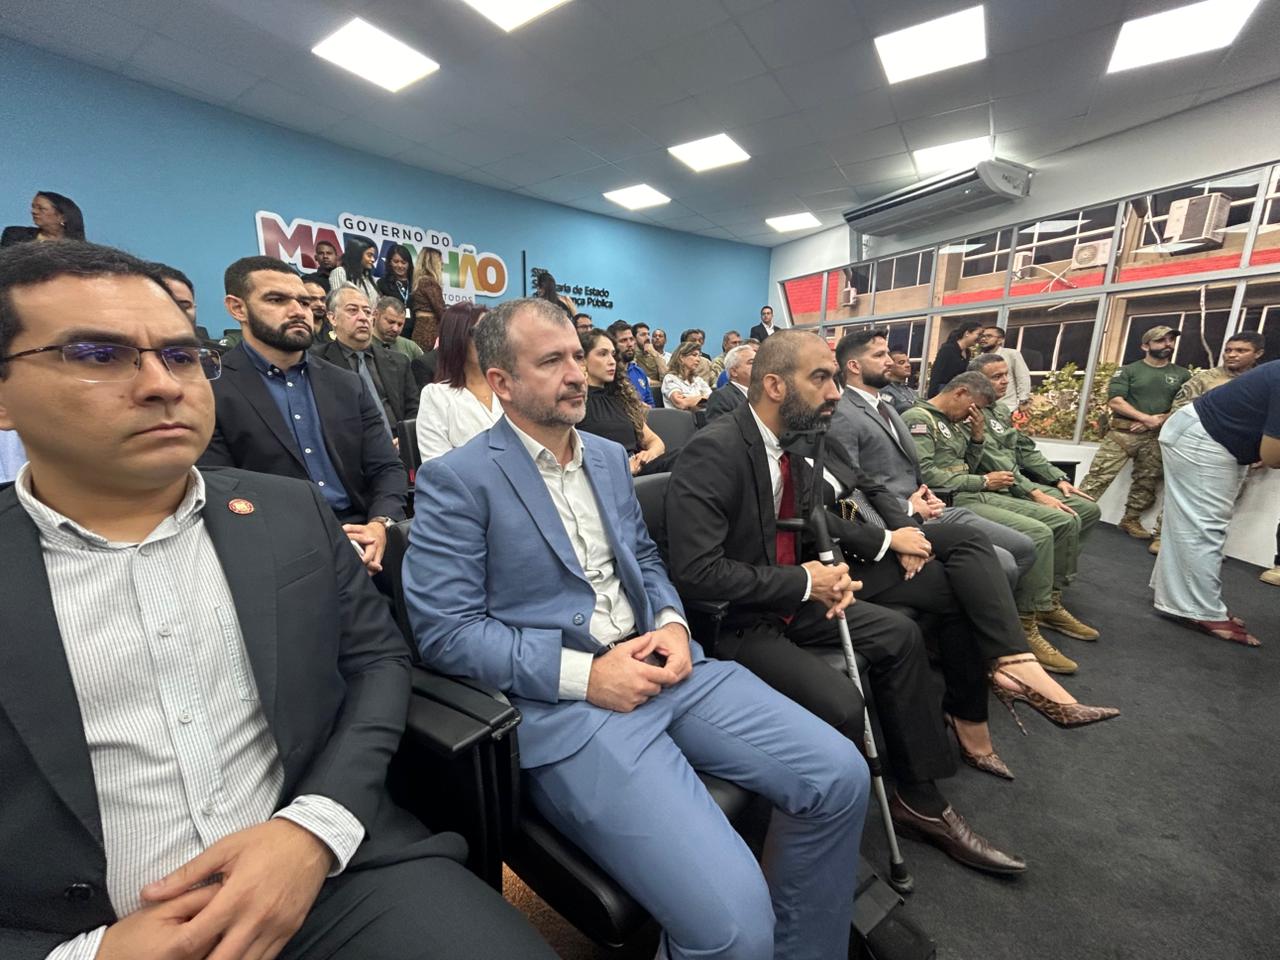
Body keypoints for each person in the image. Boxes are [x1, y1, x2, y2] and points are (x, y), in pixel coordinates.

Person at [0, 240, 556, 960]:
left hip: (333, 873)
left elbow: (377, 661)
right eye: (98, 355)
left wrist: (313, 828)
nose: (161, 384)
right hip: (86, 929)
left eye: (180, 355)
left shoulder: (289, 514)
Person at [405, 297, 870, 960]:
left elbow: (645, 560)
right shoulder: (458, 479)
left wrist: (674, 623)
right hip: (572, 706)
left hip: (667, 662)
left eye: (577, 356)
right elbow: (445, 632)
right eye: (551, 361)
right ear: (502, 382)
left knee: (841, 777)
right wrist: (587, 676)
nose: (576, 373)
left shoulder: (603, 455)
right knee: (734, 928)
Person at [670, 331, 1111, 868]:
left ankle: (921, 801)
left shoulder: (793, 443)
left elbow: (813, 520)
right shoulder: (715, 450)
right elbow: (697, 574)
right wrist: (807, 582)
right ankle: (799, 848)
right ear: (774, 386)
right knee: (843, 703)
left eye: (835, 378)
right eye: (820, 378)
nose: (835, 392)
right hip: (738, 621)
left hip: (790, 596)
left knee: (901, 634)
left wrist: (838, 568)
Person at [198, 257, 407, 576]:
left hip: (362, 534)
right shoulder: (213, 388)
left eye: (305, 302)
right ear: (237, 308)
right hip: (277, 551)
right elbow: (220, 492)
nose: (298, 311)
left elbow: (387, 467)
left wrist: (381, 524)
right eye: (276, 300)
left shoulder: (346, 384)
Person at [903, 373, 1098, 672]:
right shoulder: (920, 419)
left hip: (973, 490)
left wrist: (977, 437)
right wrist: (982, 481)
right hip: (952, 498)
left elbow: (967, 463)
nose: (973, 414)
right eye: (973, 407)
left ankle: (1041, 605)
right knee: (1040, 533)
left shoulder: (954, 422)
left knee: (1060, 522)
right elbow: (928, 475)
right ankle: (1024, 621)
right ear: (960, 393)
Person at [828, 329, 1038, 595]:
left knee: (1024, 548)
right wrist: (908, 510)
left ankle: (1003, 609)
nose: (890, 362)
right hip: (893, 515)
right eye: (879, 355)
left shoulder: (887, 408)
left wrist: (927, 496)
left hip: (931, 506)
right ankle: (986, 614)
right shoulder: (843, 413)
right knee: (1003, 564)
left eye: (887, 354)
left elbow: (912, 469)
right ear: (854, 366)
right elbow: (849, 486)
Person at [1152, 360, 1280, 646]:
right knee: (1204, 527)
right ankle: (1201, 609)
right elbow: (1272, 456)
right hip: (1204, 437)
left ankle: (1180, 599)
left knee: (1188, 524)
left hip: (1213, 436)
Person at [1147, 331, 1265, 554]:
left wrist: (1261, 451)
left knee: (1221, 503)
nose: (1232, 355)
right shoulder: (1207, 378)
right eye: (1228, 350)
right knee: (1182, 494)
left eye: (1241, 351)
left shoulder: (1261, 382)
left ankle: (1204, 546)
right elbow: (1180, 409)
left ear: (1257, 353)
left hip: (1237, 452)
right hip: (1199, 447)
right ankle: (1163, 536)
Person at [1079, 325, 1190, 539]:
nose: (1167, 344)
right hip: (1122, 434)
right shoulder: (1128, 371)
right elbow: (1115, 401)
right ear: (1145, 346)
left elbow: (1184, 406)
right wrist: (1146, 418)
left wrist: (1155, 422)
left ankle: (1131, 519)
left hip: (1156, 436)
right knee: (1098, 476)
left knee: (1147, 480)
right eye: (1160, 340)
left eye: (1170, 340)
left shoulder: (1182, 374)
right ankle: (1075, 514)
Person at [312, 286, 419, 433]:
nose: (363, 318)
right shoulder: (316, 361)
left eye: (367, 312)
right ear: (332, 318)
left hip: (398, 440)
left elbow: (414, 410)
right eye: (352, 310)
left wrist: (404, 438)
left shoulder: (400, 361)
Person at [415, 302, 501, 463]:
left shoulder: (510, 389)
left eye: (494, 332)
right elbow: (436, 465)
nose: (489, 340)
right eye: (481, 332)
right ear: (457, 337)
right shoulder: (437, 396)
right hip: (468, 479)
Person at [579, 328, 671, 475]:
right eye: (602, 354)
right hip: (603, 474)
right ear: (582, 359)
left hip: (638, 466)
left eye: (613, 354)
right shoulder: (575, 403)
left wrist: (648, 454)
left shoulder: (621, 398)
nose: (612, 361)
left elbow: (655, 442)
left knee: (688, 455)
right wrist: (623, 468)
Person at [976, 325, 1032, 410]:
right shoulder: (978, 359)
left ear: (1000, 340)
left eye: (989, 336)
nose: (983, 339)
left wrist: (1023, 400)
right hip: (984, 407)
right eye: (982, 336)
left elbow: (1022, 377)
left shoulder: (1011, 354)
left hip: (1008, 406)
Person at [2, 190, 86, 246]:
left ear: (62, 218)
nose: (33, 211)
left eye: (41, 208)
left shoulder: (78, 249)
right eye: (33, 207)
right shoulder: (15, 235)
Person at [926, 320, 983, 395]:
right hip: (944, 390)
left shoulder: (967, 352)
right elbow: (937, 371)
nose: (980, 338)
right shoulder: (948, 349)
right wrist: (932, 394)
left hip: (957, 390)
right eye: (978, 334)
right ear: (967, 333)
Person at [608, 319, 655, 407]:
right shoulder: (609, 374)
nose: (630, 344)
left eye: (631, 339)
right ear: (612, 345)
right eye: (623, 340)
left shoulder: (639, 372)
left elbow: (650, 403)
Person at [705, 342, 755, 421]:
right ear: (734, 371)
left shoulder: (763, 393)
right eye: (751, 362)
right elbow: (720, 427)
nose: (758, 365)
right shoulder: (720, 397)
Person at [410, 247, 447, 353]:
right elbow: (440, 309)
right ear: (432, 263)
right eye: (440, 262)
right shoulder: (429, 282)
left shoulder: (420, 281)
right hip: (430, 330)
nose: (443, 265)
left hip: (420, 328)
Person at [375, 243, 415, 332]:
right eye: (396, 262)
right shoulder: (382, 283)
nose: (400, 265)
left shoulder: (416, 283)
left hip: (414, 332)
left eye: (403, 262)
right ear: (389, 262)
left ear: (409, 264)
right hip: (392, 330)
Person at [326, 240, 379, 307]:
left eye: (373, 256)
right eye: (369, 255)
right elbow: (338, 302)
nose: (373, 259)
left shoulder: (371, 279)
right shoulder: (340, 272)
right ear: (357, 255)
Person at [372, 295, 425, 362]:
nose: (395, 329)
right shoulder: (362, 344)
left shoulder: (411, 348)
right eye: (391, 322)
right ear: (376, 314)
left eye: (400, 324)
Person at [662, 341, 711, 410]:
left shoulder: (698, 379)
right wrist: (703, 398)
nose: (698, 359)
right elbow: (681, 403)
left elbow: (712, 398)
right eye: (694, 355)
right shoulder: (670, 378)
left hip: (700, 415)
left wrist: (688, 398)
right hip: (679, 416)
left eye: (699, 356)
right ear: (681, 357)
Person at [630, 321, 667, 385]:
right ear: (634, 339)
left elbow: (667, 378)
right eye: (643, 335)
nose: (647, 337)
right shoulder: (631, 355)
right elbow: (636, 379)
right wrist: (660, 384)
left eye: (648, 334)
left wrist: (655, 354)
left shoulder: (653, 354)